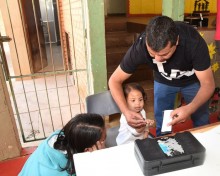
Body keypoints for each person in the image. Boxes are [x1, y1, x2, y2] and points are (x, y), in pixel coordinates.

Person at [109, 16, 215, 136]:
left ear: (177, 42)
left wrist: (190, 108)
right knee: (163, 123)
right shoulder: (140, 46)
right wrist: (126, 111)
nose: (158, 59)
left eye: (164, 54)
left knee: (202, 120)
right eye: (152, 53)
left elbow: (208, 84)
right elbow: (114, 80)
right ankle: (163, 144)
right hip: (163, 80)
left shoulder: (193, 42)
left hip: (192, 81)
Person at [19, 113, 106, 176]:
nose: (105, 144)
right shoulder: (70, 171)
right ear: (87, 150)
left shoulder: (60, 136)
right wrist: (96, 159)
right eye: (104, 140)